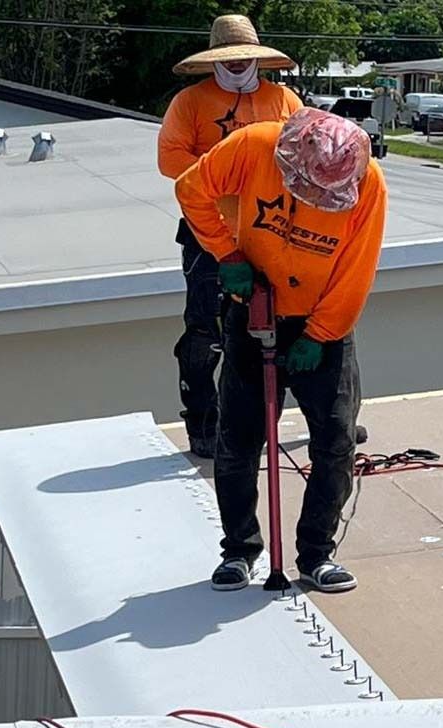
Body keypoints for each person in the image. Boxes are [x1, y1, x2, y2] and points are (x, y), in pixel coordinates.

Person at [175, 109, 387, 593]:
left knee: (335, 441)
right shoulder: (253, 146)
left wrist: (319, 334)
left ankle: (316, 555)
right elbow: (191, 191)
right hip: (251, 311)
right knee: (239, 439)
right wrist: (226, 254)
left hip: (322, 327)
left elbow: (357, 268)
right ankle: (239, 552)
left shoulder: (367, 182)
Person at [158, 14, 302, 458]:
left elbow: (305, 151)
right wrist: (226, 175)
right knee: (205, 331)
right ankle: (203, 423)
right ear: (214, 60)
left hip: (275, 230)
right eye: (230, 58)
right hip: (209, 232)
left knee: (293, 324)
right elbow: (170, 159)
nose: (238, 65)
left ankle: (322, 421)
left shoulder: (284, 99)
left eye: (245, 57)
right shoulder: (190, 102)